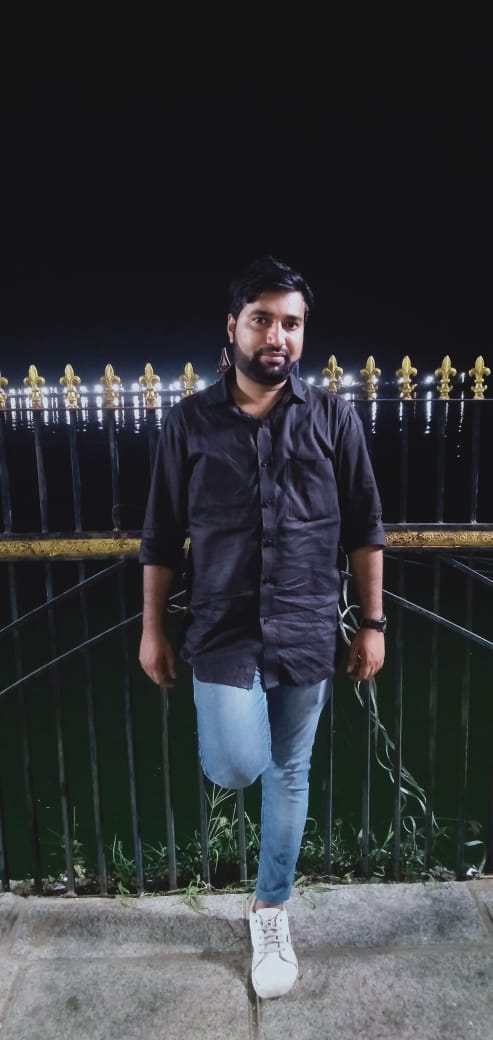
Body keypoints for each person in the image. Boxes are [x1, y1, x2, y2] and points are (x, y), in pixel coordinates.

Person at [138, 255, 386, 999]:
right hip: (220, 632)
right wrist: (152, 628)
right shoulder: (188, 422)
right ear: (233, 327)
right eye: (262, 320)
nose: (277, 336)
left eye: (291, 323)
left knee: (290, 773)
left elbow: (365, 529)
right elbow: (160, 537)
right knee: (238, 764)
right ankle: (261, 881)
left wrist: (371, 623)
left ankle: (270, 909)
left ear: (302, 332)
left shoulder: (334, 418)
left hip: (307, 625)